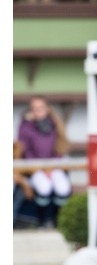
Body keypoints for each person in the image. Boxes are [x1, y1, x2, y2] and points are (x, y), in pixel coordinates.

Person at [17, 95, 72, 227]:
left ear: (47, 109)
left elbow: (60, 147)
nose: (38, 111)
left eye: (41, 108)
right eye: (35, 108)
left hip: (54, 165)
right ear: (31, 110)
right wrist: (42, 168)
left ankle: (57, 219)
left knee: (63, 188)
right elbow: (26, 151)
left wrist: (51, 167)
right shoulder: (25, 127)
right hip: (34, 167)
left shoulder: (55, 124)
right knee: (44, 187)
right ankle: (42, 219)